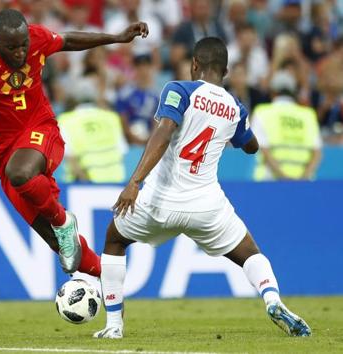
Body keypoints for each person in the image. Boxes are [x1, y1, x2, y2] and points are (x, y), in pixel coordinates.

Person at [94, 37, 311, 339]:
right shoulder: (234, 108)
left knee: (114, 239)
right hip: (206, 206)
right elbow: (251, 147)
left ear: (194, 65)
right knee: (250, 253)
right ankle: (273, 299)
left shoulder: (179, 90)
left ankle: (114, 325)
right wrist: (241, 128)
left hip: (160, 201)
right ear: (224, 71)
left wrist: (134, 182)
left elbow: (164, 132)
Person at [0, 8, 148, 276]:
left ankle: (63, 222)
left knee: (22, 173)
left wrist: (116, 38)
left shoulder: (37, 37)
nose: (20, 52)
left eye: (24, 44)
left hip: (39, 127)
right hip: (2, 153)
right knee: (57, 244)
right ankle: (110, 282)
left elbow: (68, 40)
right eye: (12, 47)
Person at [251, 70, 322, 181]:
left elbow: (263, 150)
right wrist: (304, 178)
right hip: (304, 185)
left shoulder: (262, 112)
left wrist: (284, 178)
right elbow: (317, 153)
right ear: (294, 91)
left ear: (273, 92)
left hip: (269, 182)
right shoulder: (308, 115)